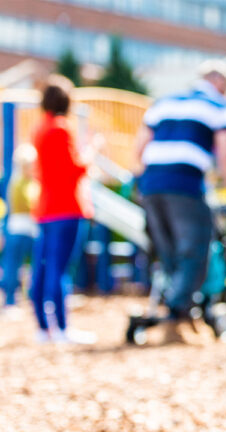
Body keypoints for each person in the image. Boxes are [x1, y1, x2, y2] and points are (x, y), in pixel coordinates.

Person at [135, 59, 226, 341]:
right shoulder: (219, 106)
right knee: (196, 251)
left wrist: (141, 181)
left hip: (151, 184)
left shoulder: (165, 102)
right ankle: (175, 317)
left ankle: (182, 313)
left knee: (168, 254)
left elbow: (139, 146)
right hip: (186, 184)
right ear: (221, 83)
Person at [30, 75, 96, 344]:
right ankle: (62, 329)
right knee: (60, 270)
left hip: (46, 208)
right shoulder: (61, 128)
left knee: (43, 268)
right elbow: (74, 170)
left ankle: (43, 328)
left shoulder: (40, 129)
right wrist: (92, 152)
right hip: (67, 208)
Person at [1, 143, 40, 318]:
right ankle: (10, 301)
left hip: (30, 230)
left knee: (32, 266)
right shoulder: (18, 183)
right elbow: (29, 204)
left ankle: (30, 297)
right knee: (13, 266)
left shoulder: (29, 182)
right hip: (19, 231)